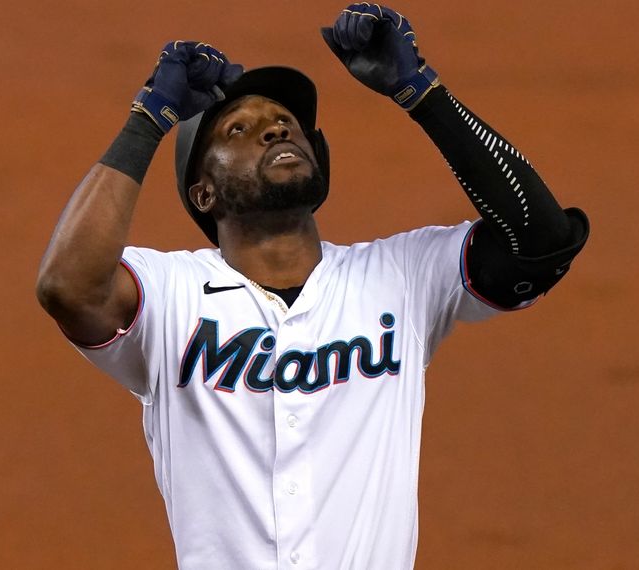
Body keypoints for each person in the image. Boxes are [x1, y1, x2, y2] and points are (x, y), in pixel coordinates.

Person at [36, 4, 589, 569]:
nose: (275, 127)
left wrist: (423, 93)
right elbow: (68, 286)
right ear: (203, 194)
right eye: (239, 129)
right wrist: (149, 117)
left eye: (286, 122)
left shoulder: (403, 275)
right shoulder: (171, 292)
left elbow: (540, 243)